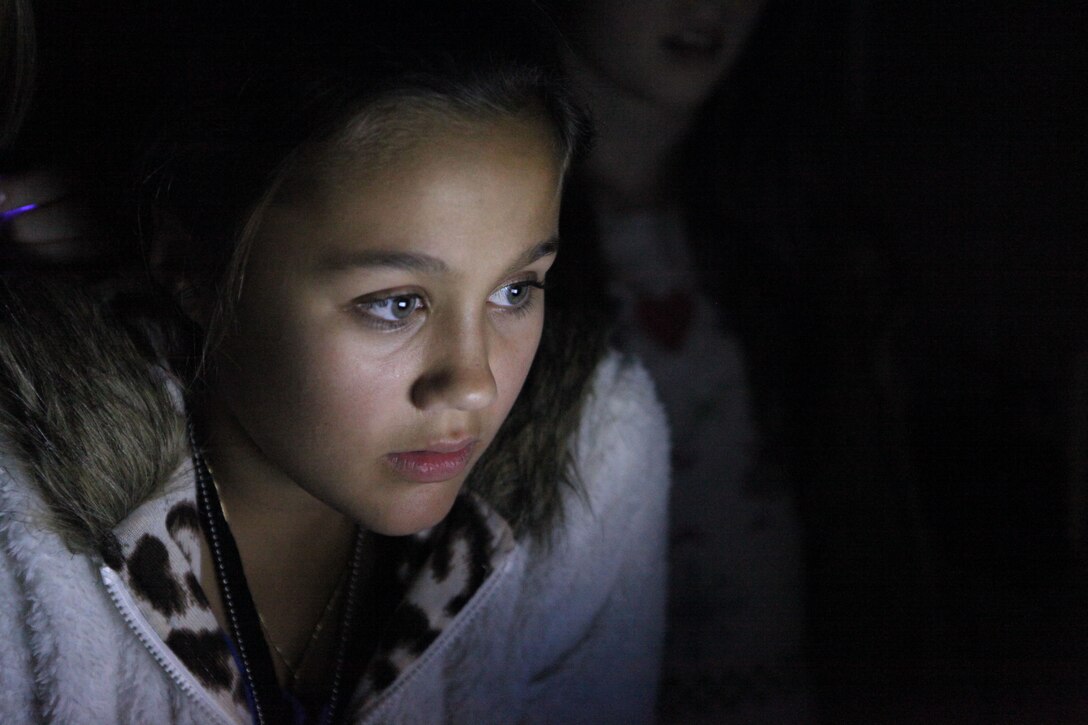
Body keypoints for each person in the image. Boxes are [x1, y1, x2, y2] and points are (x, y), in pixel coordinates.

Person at [0, 2, 669, 722]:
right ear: (190, 264)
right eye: (395, 303)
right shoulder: (24, 528)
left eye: (516, 289)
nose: (473, 383)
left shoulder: (587, 472)